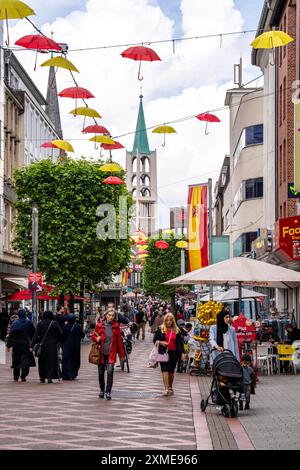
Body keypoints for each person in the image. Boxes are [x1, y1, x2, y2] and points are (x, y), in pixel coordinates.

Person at [91, 309, 125, 400]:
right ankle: (102, 390)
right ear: (106, 315)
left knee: (110, 372)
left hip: (111, 353)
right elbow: (93, 336)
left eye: (113, 315)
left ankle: (108, 391)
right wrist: (96, 338)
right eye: (109, 315)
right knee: (101, 373)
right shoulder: (99, 325)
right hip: (101, 353)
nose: (111, 317)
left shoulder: (116, 326)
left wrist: (122, 355)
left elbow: (119, 342)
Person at [153, 313, 184, 396]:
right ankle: (166, 388)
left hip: (174, 353)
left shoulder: (177, 330)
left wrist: (182, 353)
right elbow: (155, 340)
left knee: (171, 372)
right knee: (165, 370)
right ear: (165, 321)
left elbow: (180, 343)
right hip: (163, 352)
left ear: (173, 321)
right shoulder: (161, 329)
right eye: (167, 320)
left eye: (170, 320)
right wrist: (161, 342)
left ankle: (170, 387)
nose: (169, 322)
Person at [30, 311, 62, 383]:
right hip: (52, 346)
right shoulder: (55, 323)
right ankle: (50, 377)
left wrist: (31, 346)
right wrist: (57, 341)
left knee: (42, 361)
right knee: (51, 361)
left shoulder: (40, 323)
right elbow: (61, 334)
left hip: (42, 346)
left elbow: (35, 336)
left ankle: (42, 377)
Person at [6, 309, 36, 382]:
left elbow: (11, 335)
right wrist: (33, 344)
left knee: (16, 360)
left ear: (18, 315)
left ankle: (16, 377)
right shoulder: (29, 323)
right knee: (26, 360)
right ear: (25, 315)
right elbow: (34, 334)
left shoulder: (15, 323)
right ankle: (23, 375)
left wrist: (8, 345)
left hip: (16, 345)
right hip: (26, 345)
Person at [61, 314, 85, 380]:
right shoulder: (78, 326)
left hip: (66, 346)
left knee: (66, 360)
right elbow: (83, 335)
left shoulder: (65, 327)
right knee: (75, 359)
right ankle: (73, 374)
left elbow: (62, 336)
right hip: (76, 346)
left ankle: (67, 374)